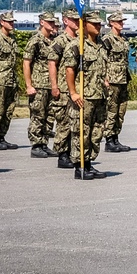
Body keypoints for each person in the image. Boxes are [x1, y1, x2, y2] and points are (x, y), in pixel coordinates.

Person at [65, 12, 109, 180]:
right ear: (85, 25)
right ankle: (79, 166)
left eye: (99, 24)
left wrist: (105, 81)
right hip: (84, 96)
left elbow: (101, 67)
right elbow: (70, 70)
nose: (98, 27)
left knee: (97, 132)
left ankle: (89, 162)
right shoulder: (77, 45)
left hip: (99, 95)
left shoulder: (101, 45)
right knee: (81, 132)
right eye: (95, 24)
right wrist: (73, 92)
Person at [23, 12, 60, 163]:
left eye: (54, 22)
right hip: (38, 84)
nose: (53, 25)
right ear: (42, 23)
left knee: (49, 115)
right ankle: (36, 145)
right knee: (38, 115)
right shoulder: (35, 40)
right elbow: (26, 62)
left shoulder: (53, 41)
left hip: (51, 84)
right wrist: (28, 85)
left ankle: (44, 142)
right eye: (50, 22)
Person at [48, 10, 82, 162]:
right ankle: (62, 154)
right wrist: (54, 86)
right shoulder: (60, 41)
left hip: (77, 87)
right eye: (73, 20)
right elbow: (52, 64)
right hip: (63, 87)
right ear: (65, 21)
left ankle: (72, 152)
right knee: (64, 122)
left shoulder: (80, 40)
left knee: (75, 121)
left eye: (78, 20)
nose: (76, 22)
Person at [0, 11, 19, 150]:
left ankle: (1, 136)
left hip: (11, 79)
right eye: (9, 21)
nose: (11, 23)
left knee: (8, 110)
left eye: (12, 21)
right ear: (2, 22)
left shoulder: (12, 39)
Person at [102, 10, 132, 152]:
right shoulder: (107, 39)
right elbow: (103, 59)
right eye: (119, 21)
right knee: (112, 110)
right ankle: (109, 139)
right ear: (111, 23)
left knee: (121, 110)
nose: (122, 24)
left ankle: (116, 137)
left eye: (122, 21)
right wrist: (105, 78)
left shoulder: (123, 39)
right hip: (112, 79)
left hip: (123, 78)